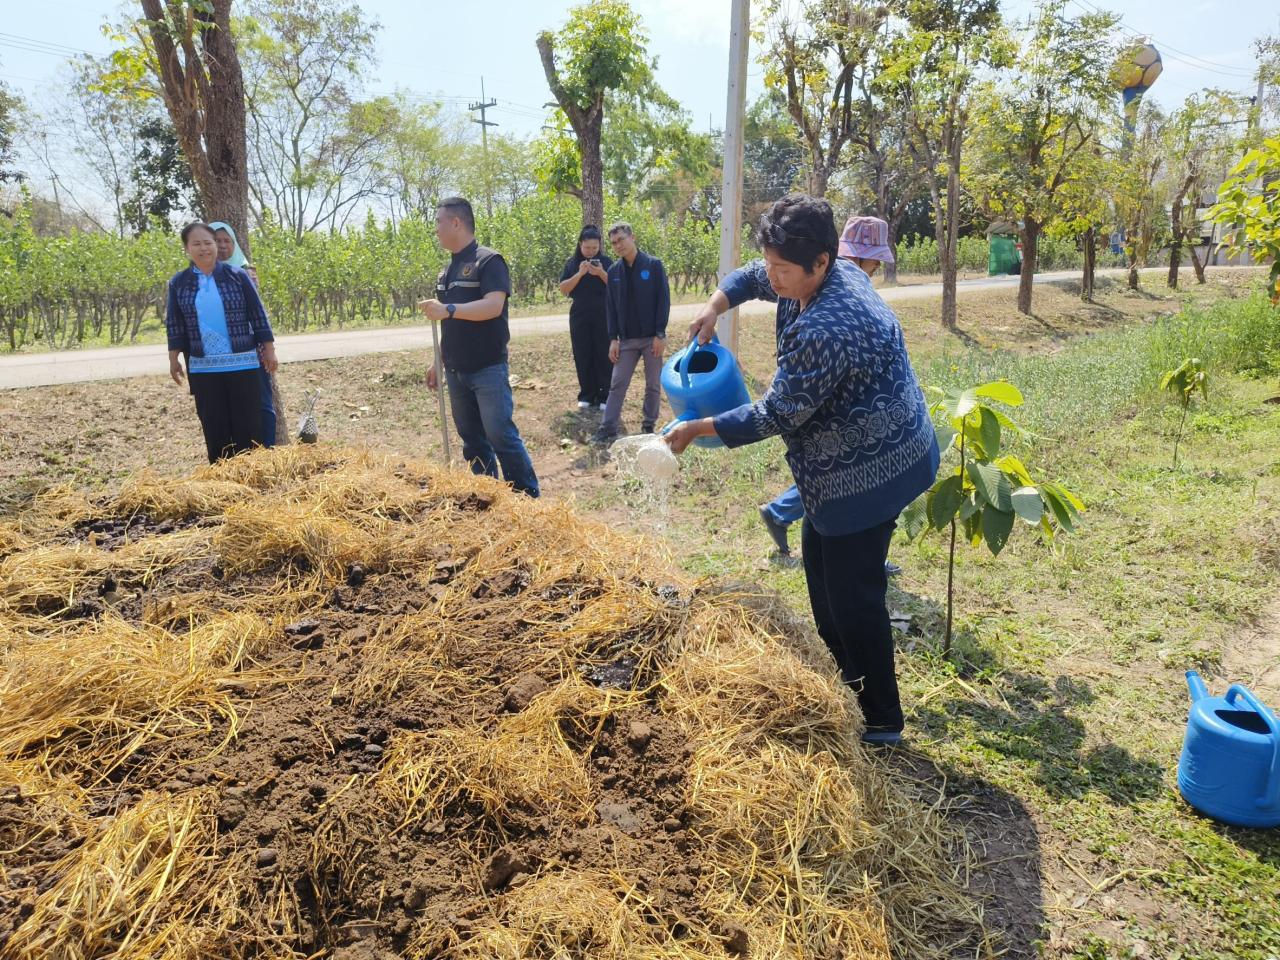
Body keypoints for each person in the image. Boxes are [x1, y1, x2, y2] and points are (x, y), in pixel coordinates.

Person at [665, 195, 939, 746]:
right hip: (837, 464)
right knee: (821, 573)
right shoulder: (806, 272)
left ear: (822, 262)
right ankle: (847, 684)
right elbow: (750, 276)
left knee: (854, 597)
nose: (773, 278)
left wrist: (698, 428)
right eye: (771, 265)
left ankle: (882, 719)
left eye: (783, 270)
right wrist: (716, 304)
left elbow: (778, 412)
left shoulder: (829, 325)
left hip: (875, 467)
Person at [758, 215, 902, 582]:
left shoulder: (838, 285)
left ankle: (784, 512)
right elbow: (779, 409)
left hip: (840, 426)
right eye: (871, 262)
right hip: (841, 429)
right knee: (839, 475)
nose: (870, 268)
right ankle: (782, 511)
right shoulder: (830, 298)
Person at [418, 197, 539, 498]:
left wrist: (448, 309)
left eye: (439, 222)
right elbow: (451, 324)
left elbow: (493, 306)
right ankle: (486, 497)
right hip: (457, 370)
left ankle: (527, 498)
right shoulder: (445, 273)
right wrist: (439, 360)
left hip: (488, 369)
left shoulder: (489, 261)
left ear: (456, 223)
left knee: (500, 435)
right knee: (472, 439)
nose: (436, 230)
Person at [166, 221, 278, 463]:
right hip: (204, 367)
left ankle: (250, 475)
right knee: (214, 425)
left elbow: (257, 314)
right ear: (187, 249)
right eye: (196, 244)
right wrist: (173, 358)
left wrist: (269, 350)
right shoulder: (179, 283)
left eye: (208, 242)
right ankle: (221, 480)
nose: (204, 248)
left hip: (243, 364)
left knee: (248, 424)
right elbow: (175, 323)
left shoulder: (237, 276)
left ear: (216, 246)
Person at [592, 222, 671, 444]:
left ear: (632, 237)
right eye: (614, 243)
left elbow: (663, 301)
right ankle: (608, 428)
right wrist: (612, 339)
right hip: (626, 340)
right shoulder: (614, 272)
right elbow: (611, 307)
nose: (618, 245)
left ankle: (648, 425)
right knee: (617, 383)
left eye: (621, 240)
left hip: (651, 338)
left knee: (653, 383)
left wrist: (660, 334)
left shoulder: (653, 265)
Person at [209, 221, 279, 448]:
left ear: (234, 244)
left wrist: (268, 348)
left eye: (226, 241)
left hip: (250, 349)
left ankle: (267, 450)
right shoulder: (198, 276)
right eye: (216, 241)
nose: (222, 246)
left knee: (261, 402)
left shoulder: (246, 272)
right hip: (218, 355)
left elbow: (256, 313)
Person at [559, 226, 614, 411]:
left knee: (604, 354)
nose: (590, 251)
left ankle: (605, 396)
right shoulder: (572, 263)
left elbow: (616, 287)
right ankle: (587, 394)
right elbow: (564, 289)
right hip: (579, 314)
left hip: (603, 313)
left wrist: (600, 273)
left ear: (600, 245)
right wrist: (580, 274)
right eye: (587, 247)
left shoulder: (606, 262)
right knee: (582, 353)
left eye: (594, 247)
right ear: (580, 245)